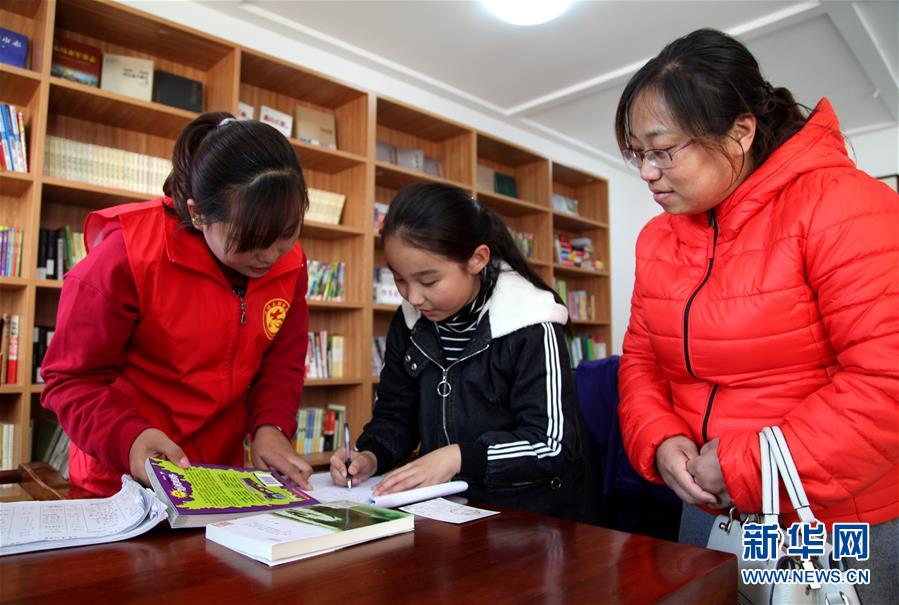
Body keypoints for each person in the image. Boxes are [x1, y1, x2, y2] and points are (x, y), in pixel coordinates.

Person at [615, 28, 897, 601]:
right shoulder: (657, 240)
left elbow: (886, 384)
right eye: (637, 154)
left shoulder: (845, 206)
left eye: (663, 150)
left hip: (832, 517)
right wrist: (661, 439)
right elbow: (642, 360)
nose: (646, 172)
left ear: (740, 131)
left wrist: (746, 464)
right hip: (709, 502)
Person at [41, 112, 314, 496]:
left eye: (286, 234)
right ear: (199, 213)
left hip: (221, 478)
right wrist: (130, 439)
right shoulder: (128, 254)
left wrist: (271, 426)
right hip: (123, 478)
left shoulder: (291, 263)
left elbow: (281, 362)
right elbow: (70, 379)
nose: (271, 256)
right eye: (251, 240)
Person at [329, 182, 583, 519]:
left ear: (477, 259)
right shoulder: (409, 323)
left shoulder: (532, 323)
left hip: (528, 516)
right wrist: (371, 455)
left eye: (429, 281)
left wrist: (461, 457)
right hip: (445, 513)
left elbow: (553, 445)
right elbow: (395, 415)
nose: (413, 297)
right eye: (400, 279)